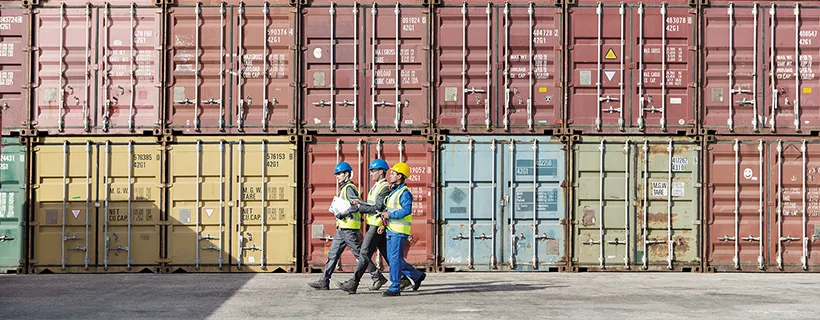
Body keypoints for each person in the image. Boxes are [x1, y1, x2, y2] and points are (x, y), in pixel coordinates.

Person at [338, 159, 411, 294]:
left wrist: (360, 207)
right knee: (388, 256)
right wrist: (360, 204)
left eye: (373, 171)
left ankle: (354, 283)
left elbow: (378, 207)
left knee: (364, 254)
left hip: (376, 226)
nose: (371, 173)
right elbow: (373, 205)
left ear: (381, 172)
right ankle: (406, 278)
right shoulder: (376, 186)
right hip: (374, 224)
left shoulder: (384, 188)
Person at [307, 161, 365, 290]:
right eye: (336, 174)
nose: (337, 176)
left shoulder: (349, 188)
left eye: (339, 174)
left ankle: (377, 276)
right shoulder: (344, 188)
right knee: (332, 255)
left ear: (347, 174)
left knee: (360, 255)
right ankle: (324, 281)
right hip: (342, 228)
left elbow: (358, 205)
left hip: (349, 229)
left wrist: (344, 213)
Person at [380, 162, 426, 297]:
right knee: (394, 259)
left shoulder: (404, 193)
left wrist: (389, 215)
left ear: (400, 176)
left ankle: (395, 287)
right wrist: (384, 223)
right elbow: (390, 209)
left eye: (394, 173)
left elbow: (406, 210)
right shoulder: (394, 191)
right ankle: (417, 276)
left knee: (394, 259)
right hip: (391, 229)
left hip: (399, 231)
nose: (391, 175)